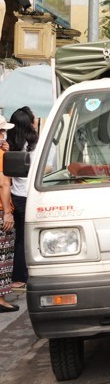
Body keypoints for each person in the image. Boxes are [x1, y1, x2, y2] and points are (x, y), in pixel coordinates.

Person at [7, 106, 38, 291]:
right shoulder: (34, 144)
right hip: (30, 196)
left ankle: (18, 276)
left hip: (16, 195)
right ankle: (20, 277)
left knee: (20, 238)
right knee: (27, 238)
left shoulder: (10, 144)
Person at [0, 116, 18, 311]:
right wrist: (7, 213)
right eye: (2, 130)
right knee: (3, 257)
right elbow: (4, 183)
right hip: (0, 210)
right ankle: (1, 299)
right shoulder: (1, 155)